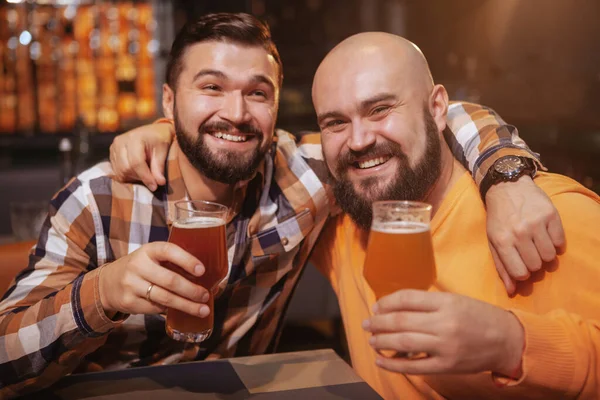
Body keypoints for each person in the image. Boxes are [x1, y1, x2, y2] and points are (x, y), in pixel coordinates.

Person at [0, 13, 560, 398]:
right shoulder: (97, 200)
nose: (236, 112)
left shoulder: (303, 172)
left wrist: (506, 177)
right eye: (211, 88)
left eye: (258, 93)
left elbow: (438, 116)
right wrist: (102, 293)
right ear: (169, 103)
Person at [309, 32, 600, 398]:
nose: (358, 140)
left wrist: (510, 345)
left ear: (436, 107)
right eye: (335, 122)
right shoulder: (342, 221)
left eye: (380, 109)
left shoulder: (551, 213)